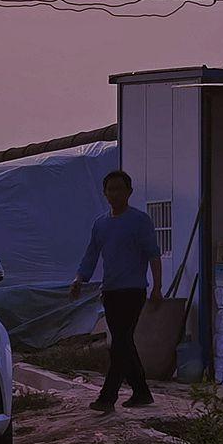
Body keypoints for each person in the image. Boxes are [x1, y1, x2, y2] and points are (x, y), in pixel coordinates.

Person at [68, 169, 163, 411]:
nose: (114, 194)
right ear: (105, 193)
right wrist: (79, 278)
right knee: (123, 343)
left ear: (129, 192)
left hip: (133, 291)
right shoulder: (100, 224)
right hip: (110, 291)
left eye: (119, 189)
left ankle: (107, 397)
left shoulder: (140, 221)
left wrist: (157, 287)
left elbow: (153, 255)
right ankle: (141, 392)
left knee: (119, 343)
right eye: (110, 189)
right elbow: (91, 255)